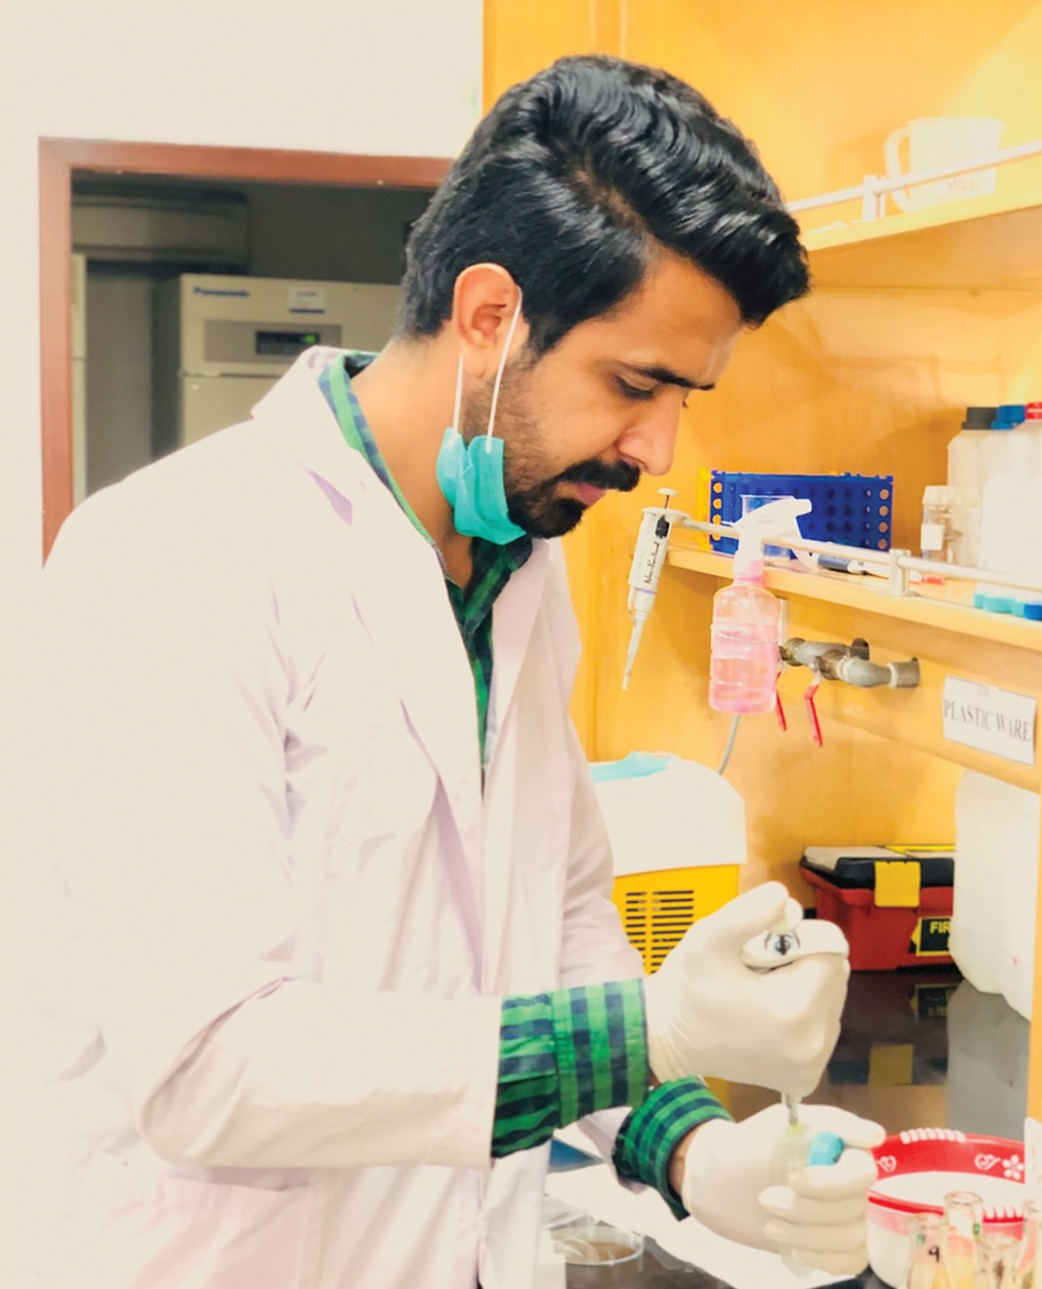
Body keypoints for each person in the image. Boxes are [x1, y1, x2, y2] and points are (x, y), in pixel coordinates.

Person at [23, 55, 883, 1289]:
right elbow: (206, 1063)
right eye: (634, 385)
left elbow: (566, 914)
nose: (656, 446)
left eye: (684, 397)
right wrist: (647, 1030)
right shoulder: (176, 560)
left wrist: (687, 1143)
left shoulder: (519, 563)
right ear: (489, 317)